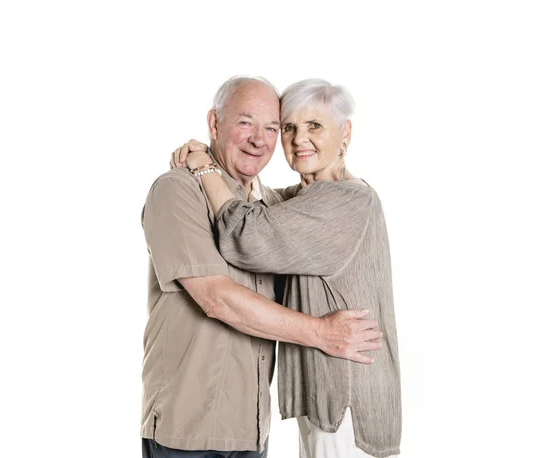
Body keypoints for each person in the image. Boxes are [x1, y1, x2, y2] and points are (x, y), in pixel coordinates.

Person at [141, 76, 383, 458]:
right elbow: (218, 299)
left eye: (272, 127)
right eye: (245, 122)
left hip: (251, 432)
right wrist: (322, 332)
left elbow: (317, 201)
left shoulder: (271, 207)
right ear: (214, 124)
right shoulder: (178, 191)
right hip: (187, 433)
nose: (260, 139)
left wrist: (203, 159)